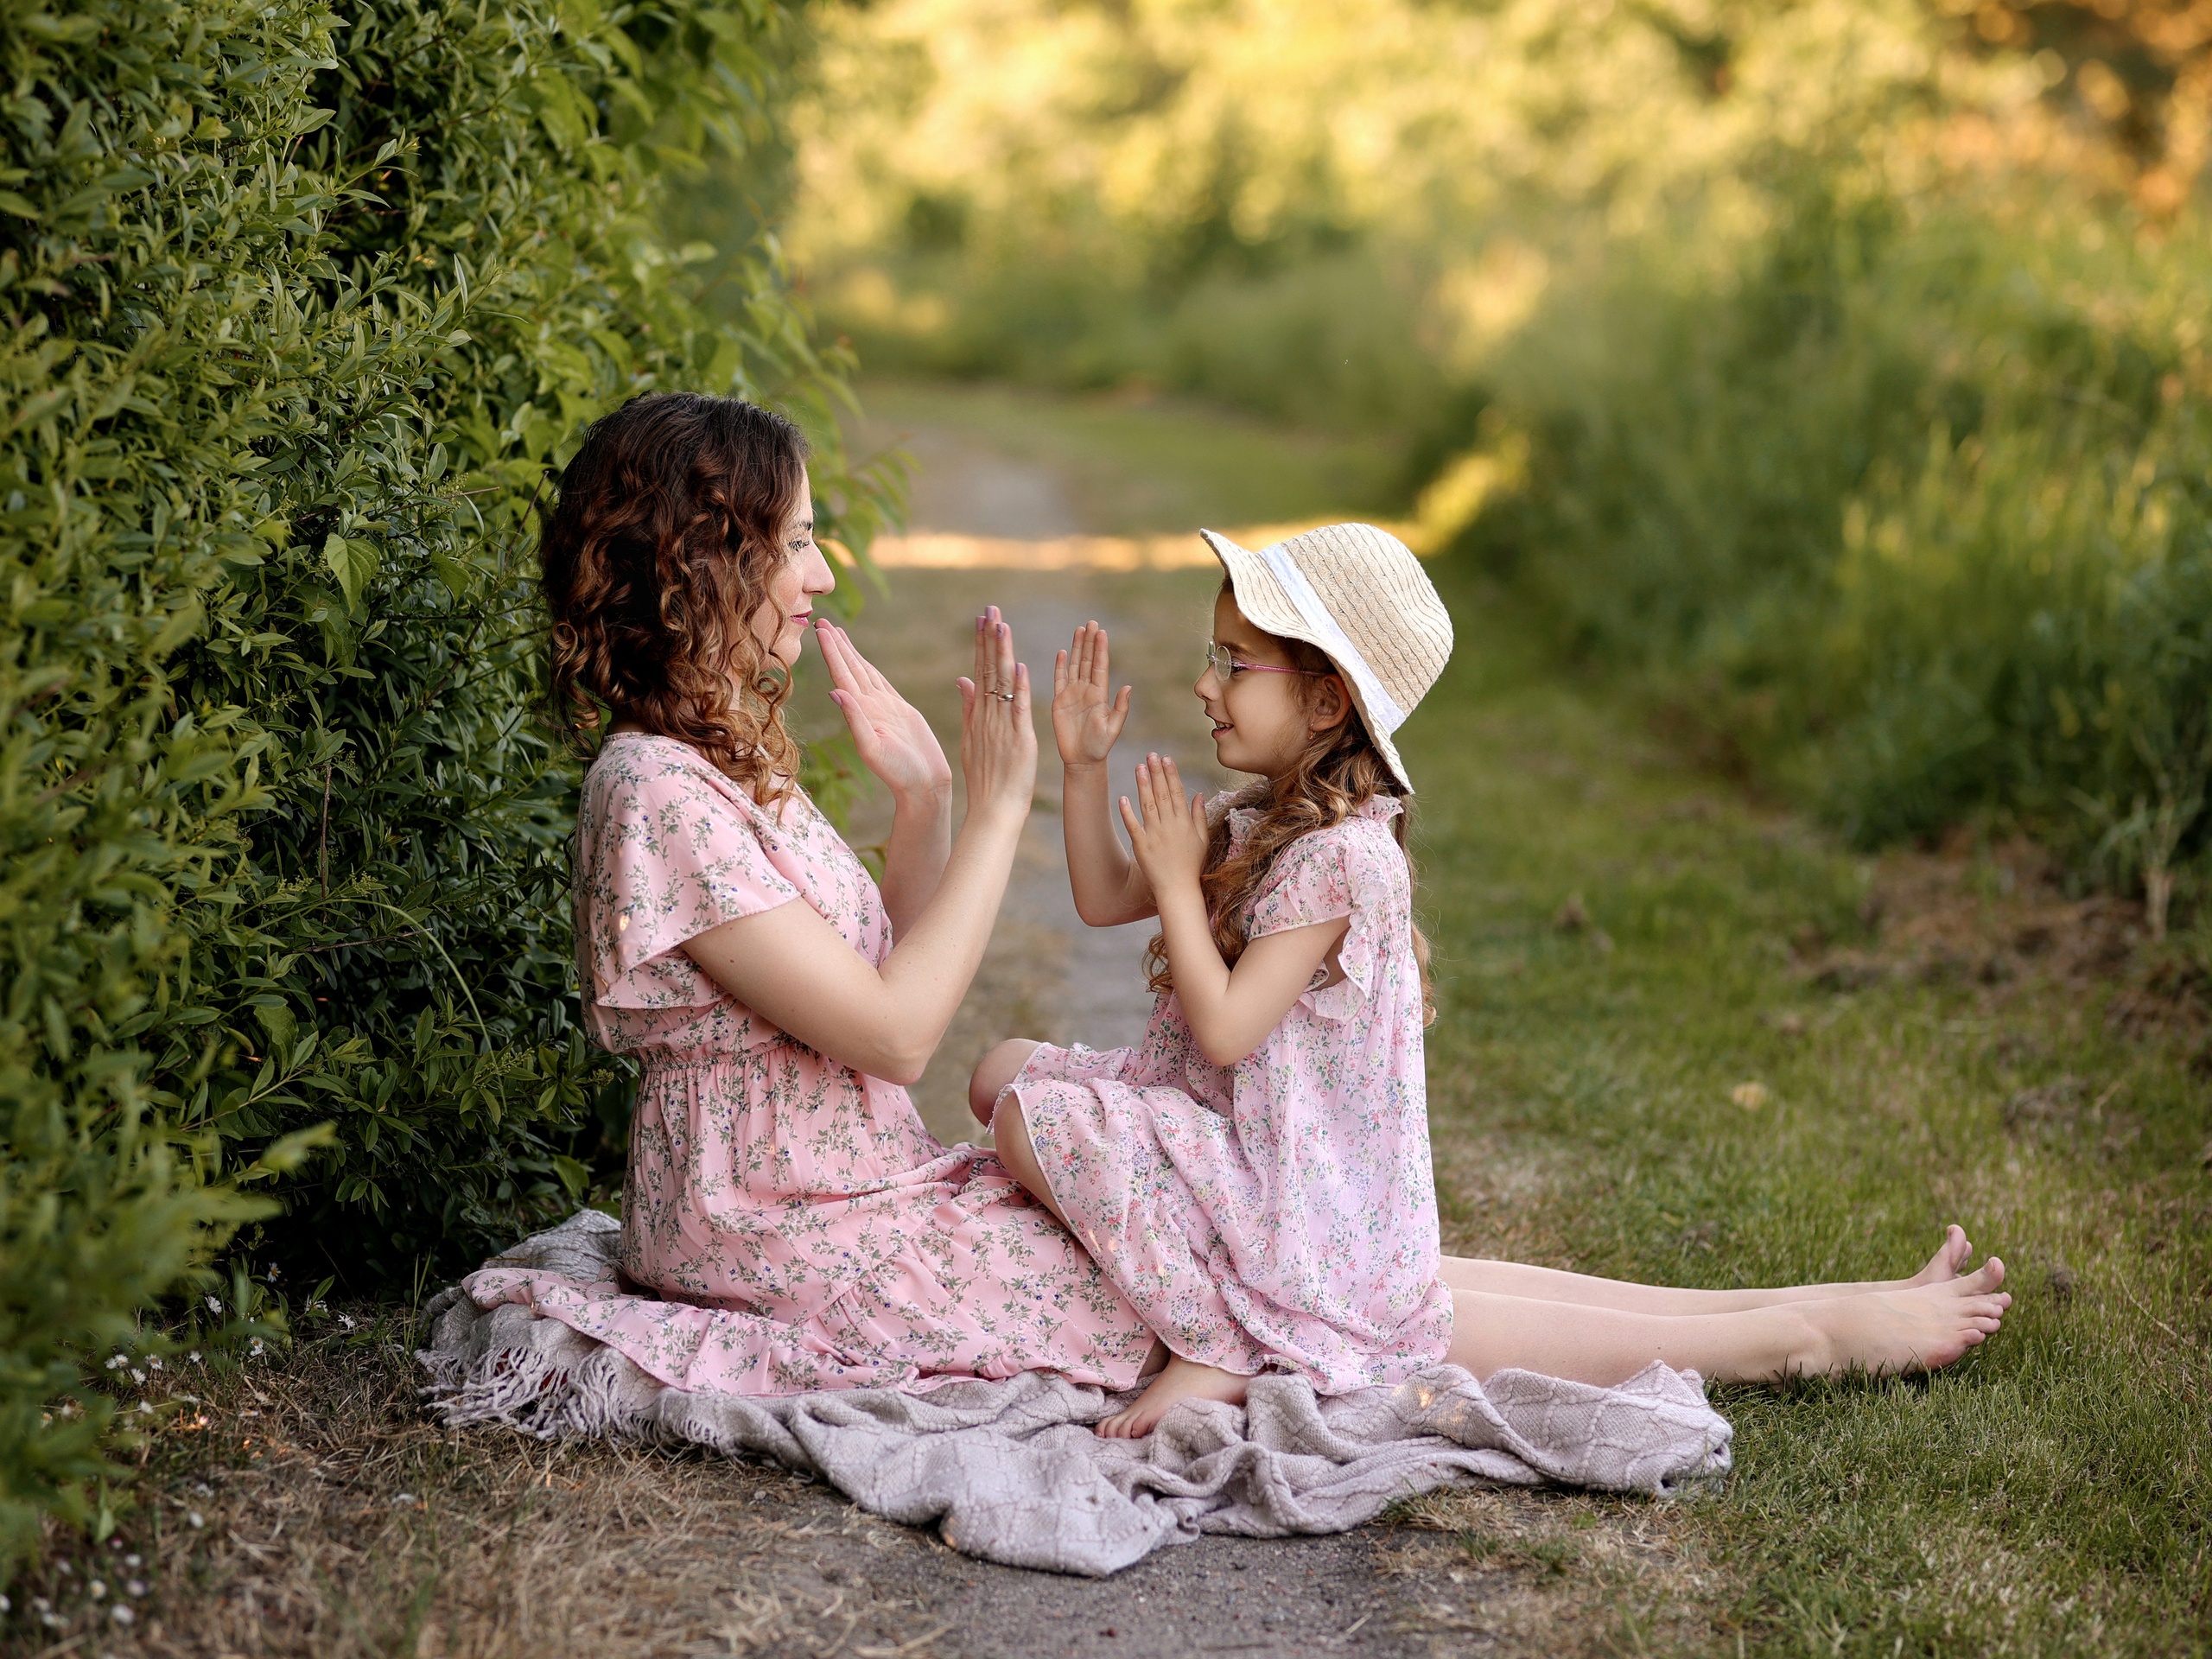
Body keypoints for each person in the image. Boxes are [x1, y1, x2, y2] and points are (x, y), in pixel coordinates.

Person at [972, 523, 2011, 1438]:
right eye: (1215, 655)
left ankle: (1820, 1334)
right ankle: (1836, 1301)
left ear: (1328, 700)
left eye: (1234, 662)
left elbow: (1230, 1028)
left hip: (1295, 1212)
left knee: (1025, 1106)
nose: (1205, 683)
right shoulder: (1258, 819)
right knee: (1003, 1070)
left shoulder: (1345, 858)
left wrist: (1173, 876)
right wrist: (1081, 766)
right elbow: (1108, 902)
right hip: (1262, 1173)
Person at [472, 391, 1156, 1395]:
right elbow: (896, 1036)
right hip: (768, 1225)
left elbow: (879, 990)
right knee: (1170, 1296)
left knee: (1171, 1253)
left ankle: (1400, 1301)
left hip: (841, 1193)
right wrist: (1003, 810)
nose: (823, 573)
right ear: (702, 563)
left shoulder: (717, 759)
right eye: (795, 542)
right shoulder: (656, 789)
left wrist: (928, 807)